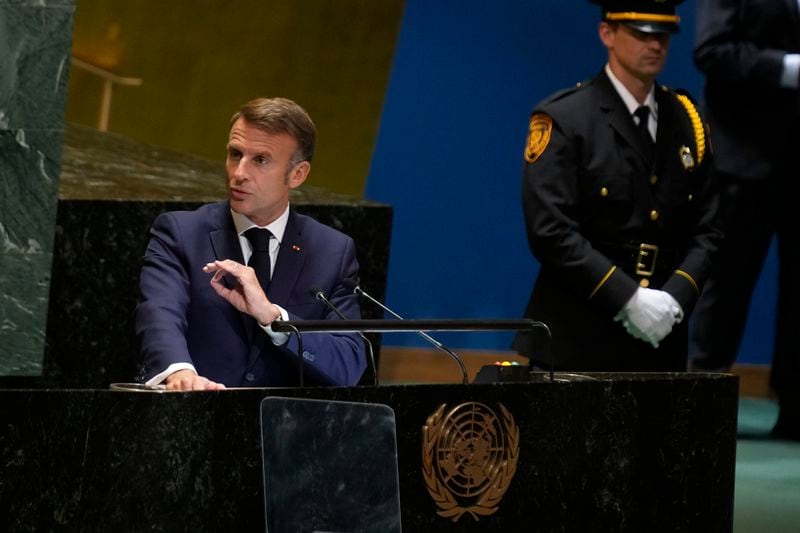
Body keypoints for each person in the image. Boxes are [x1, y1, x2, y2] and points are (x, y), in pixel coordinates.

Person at [513, 0, 721, 372]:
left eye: (663, 34)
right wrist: (627, 299)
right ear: (607, 33)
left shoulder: (688, 121)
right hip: (577, 334)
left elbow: (708, 229)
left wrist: (675, 298)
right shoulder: (567, 117)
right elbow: (550, 230)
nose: (655, 44)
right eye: (641, 33)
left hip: (662, 336)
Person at [135, 97, 366, 390]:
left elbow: (349, 363)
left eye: (260, 160)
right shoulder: (180, 233)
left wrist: (275, 318)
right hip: (197, 420)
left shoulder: (332, 251)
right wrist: (180, 374)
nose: (239, 173)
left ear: (297, 174)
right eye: (235, 154)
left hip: (286, 429)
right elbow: (159, 313)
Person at [691, 0, 800, 440]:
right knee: (725, 284)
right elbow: (712, 49)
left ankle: (795, 409)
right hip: (743, 158)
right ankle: (701, 406)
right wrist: (789, 68)